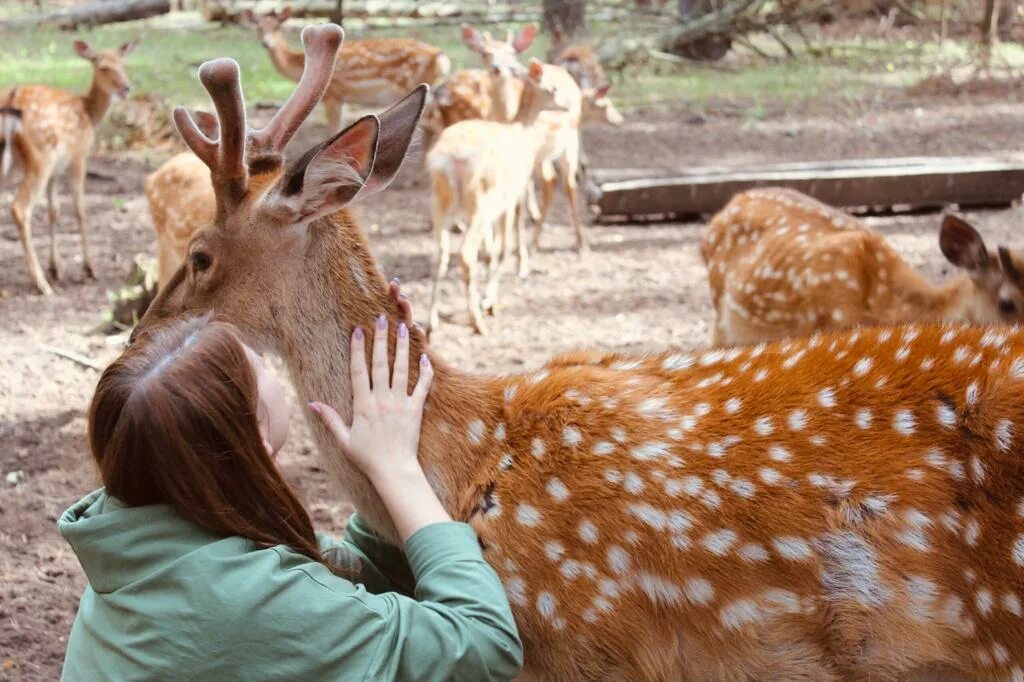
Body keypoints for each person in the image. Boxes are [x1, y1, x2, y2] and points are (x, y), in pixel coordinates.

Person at [58, 284, 523, 681]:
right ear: (257, 435)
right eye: (261, 366)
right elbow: (483, 644)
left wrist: (384, 451)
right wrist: (397, 469)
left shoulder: (147, 537)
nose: (270, 368)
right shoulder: (247, 601)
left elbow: (354, 582)